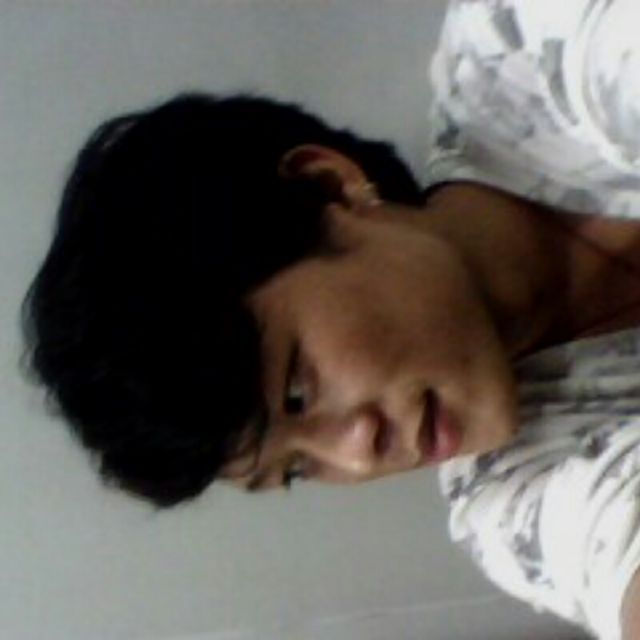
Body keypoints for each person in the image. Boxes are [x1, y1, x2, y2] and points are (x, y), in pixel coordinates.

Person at [20, 0, 640, 638]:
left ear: (329, 185)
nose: (359, 454)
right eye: (296, 469)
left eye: (298, 391)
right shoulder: (508, 492)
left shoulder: (525, 53)